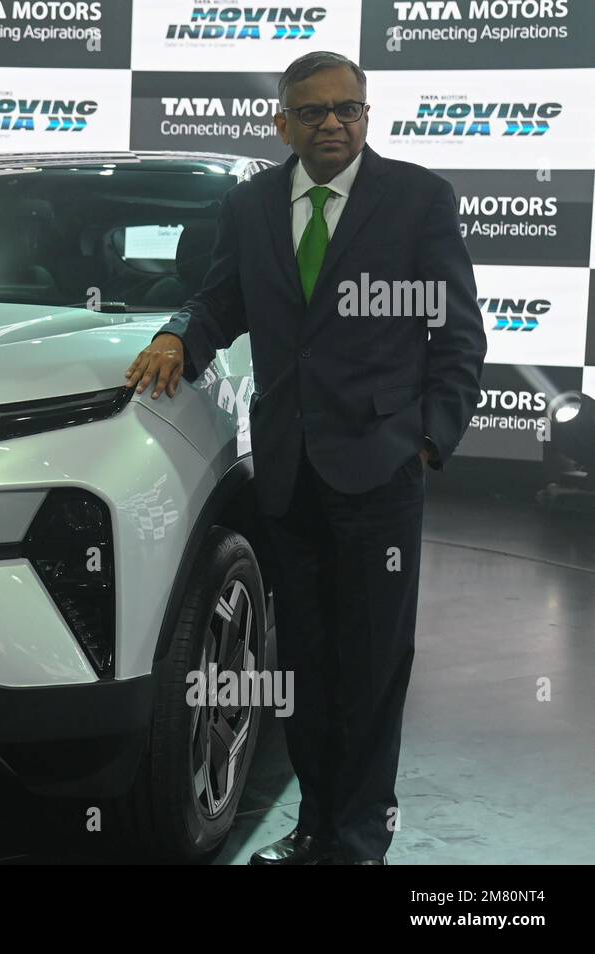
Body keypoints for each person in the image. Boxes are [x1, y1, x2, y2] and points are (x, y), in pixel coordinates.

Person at [125, 51, 487, 864]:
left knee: (372, 667)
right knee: (310, 665)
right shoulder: (251, 204)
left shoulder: (419, 199)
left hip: (380, 473)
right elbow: (225, 297)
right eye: (315, 112)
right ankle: (317, 824)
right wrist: (180, 332)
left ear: (367, 113)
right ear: (282, 121)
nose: (334, 124)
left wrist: (428, 439)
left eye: (349, 109)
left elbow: (459, 331)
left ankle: (359, 839)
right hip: (287, 472)